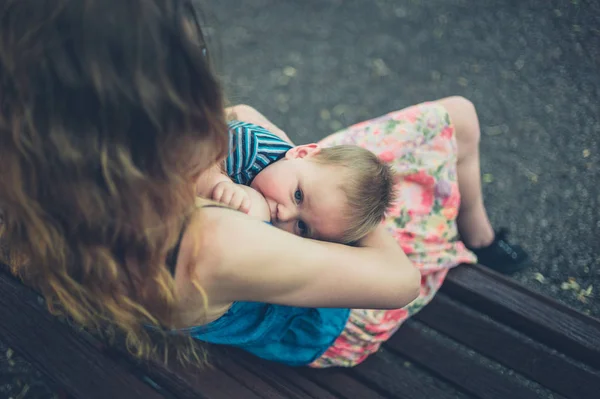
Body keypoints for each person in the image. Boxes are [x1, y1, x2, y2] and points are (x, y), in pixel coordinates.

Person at [0, 0, 529, 370]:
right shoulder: (216, 241)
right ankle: (474, 242)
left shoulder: (54, 191)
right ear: (159, 119)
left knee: (454, 118)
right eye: (195, 68)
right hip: (334, 317)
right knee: (455, 118)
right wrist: (339, 210)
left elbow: (242, 116)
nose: (209, 87)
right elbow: (398, 281)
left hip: (300, 207)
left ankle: (476, 234)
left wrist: (295, 173)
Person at [202, 120, 396, 243]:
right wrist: (219, 179)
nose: (284, 215)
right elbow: (193, 147)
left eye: (302, 227)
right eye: (298, 196)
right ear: (300, 153)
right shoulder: (249, 145)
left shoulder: (300, 176)